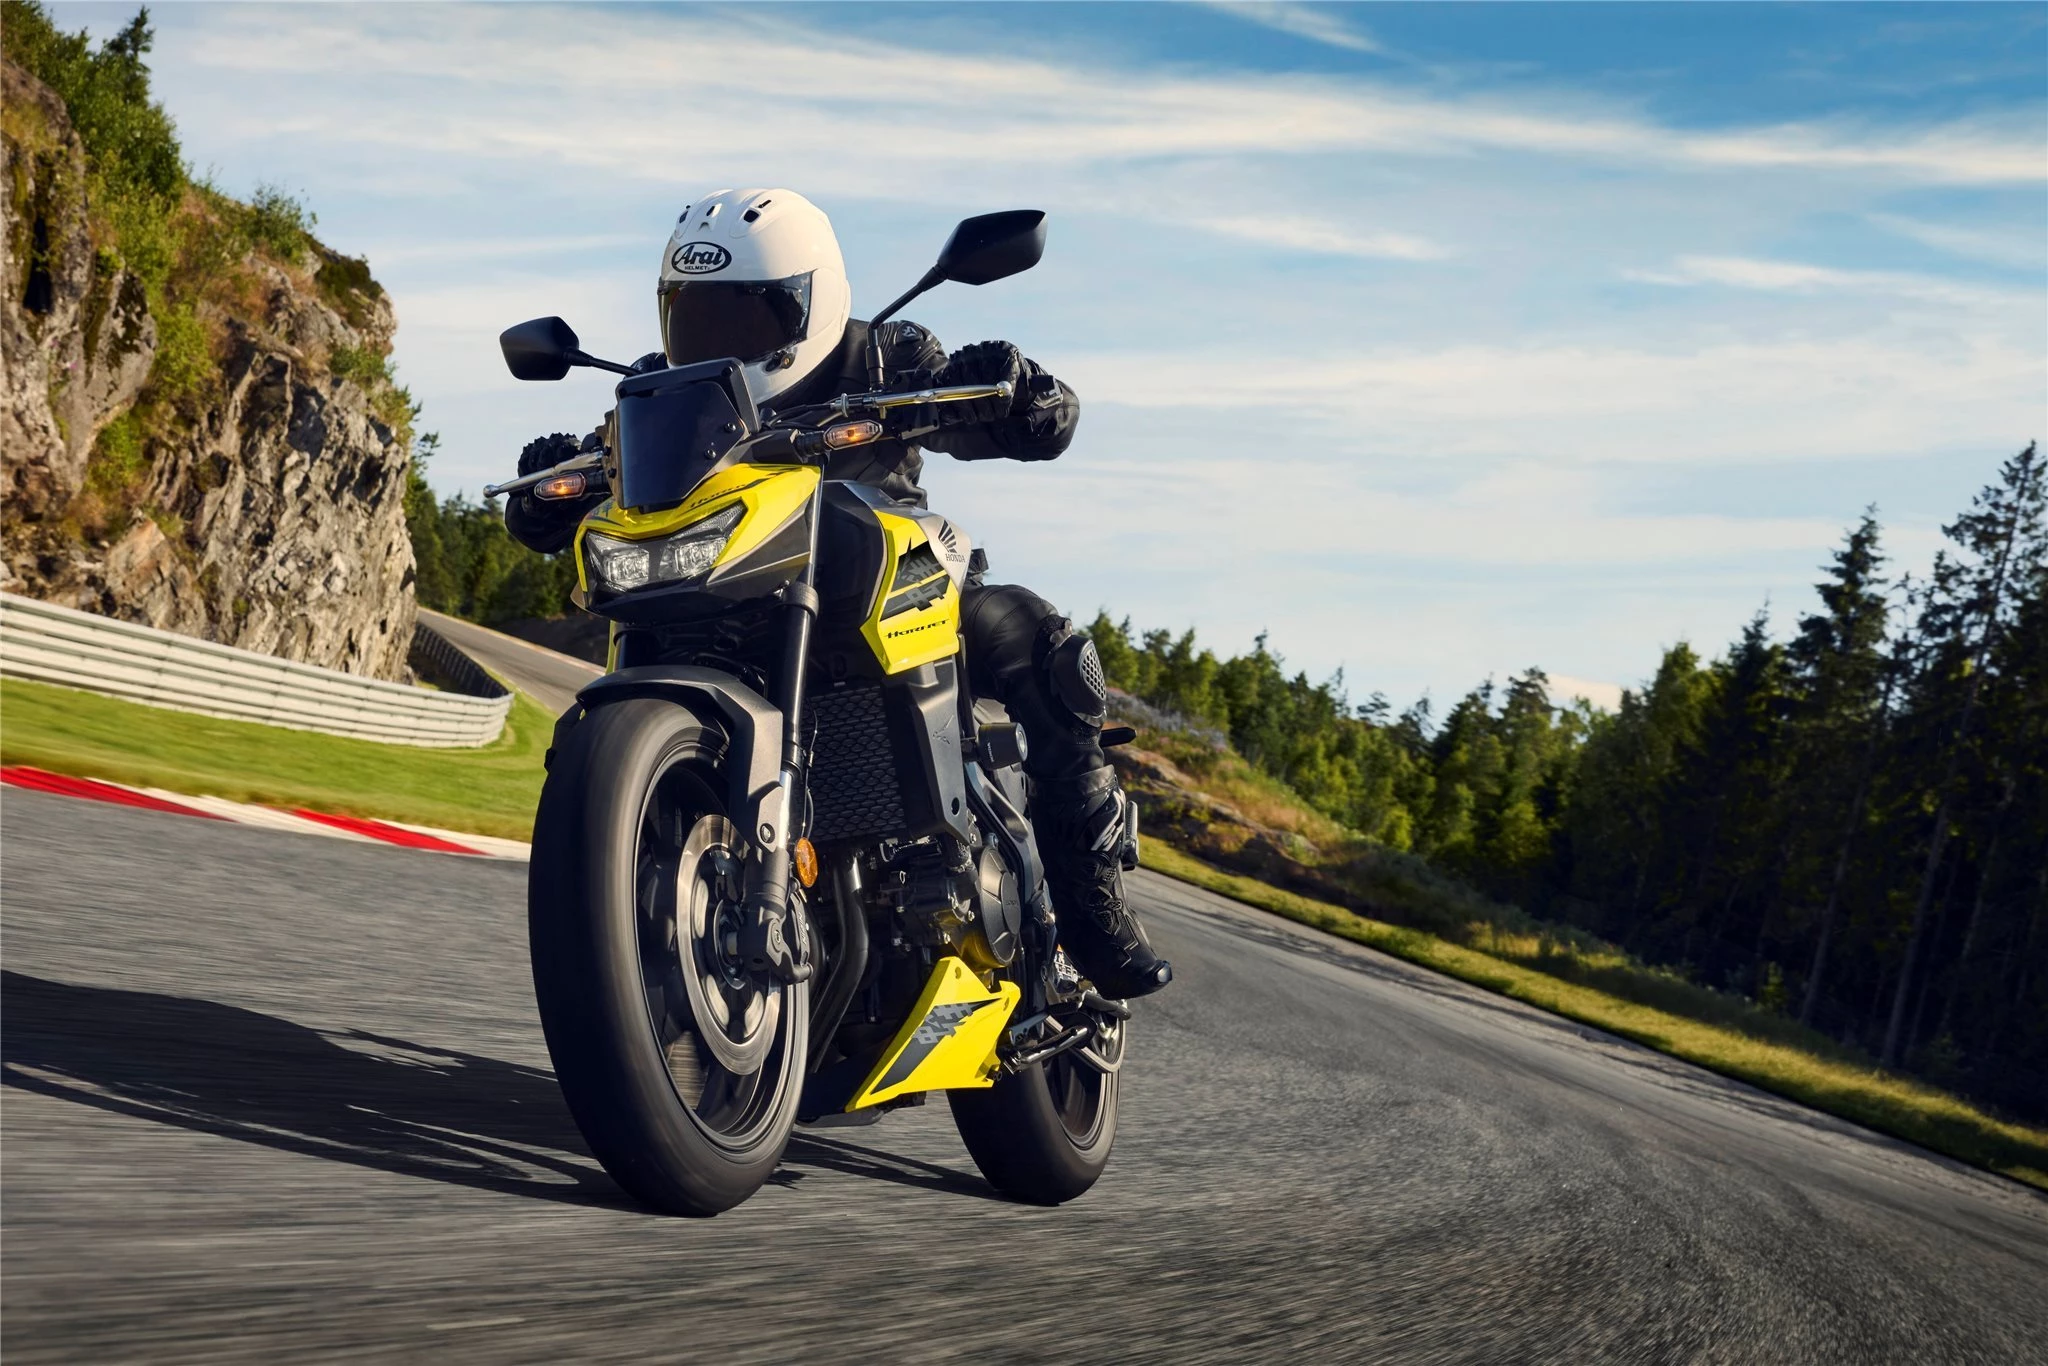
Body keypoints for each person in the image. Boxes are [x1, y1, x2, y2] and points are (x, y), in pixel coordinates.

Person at [504, 188, 1171, 999]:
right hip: (732, 590)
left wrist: (1017, 390)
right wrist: (552, 485)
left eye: (749, 315)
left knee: (1035, 640)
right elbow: (602, 466)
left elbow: (1033, 419)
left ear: (813, 300)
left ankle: (1092, 906)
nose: (719, 339)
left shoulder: (885, 355)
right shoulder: (660, 389)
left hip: (889, 581)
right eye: (696, 316)